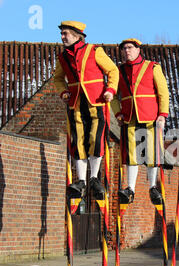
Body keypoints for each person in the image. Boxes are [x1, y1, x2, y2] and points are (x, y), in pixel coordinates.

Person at [54, 21, 119, 198]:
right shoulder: (62, 57)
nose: (62, 37)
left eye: (65, 33)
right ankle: (81, 181)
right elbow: (58, 79)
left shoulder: (94, 51)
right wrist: (63, 92)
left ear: (76, 34)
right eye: (61, 34)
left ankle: (94, 178)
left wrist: (110, 90)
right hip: (75, 103)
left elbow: (112, 70)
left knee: (95, 139)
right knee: (78, 141)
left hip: (96, 101)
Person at [113, 38, 169, 205]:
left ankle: (152, 187)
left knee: (152, 152)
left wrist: (162, 114)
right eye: (124, 48)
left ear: (138, 50)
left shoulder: (152, 67)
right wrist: (118, 114)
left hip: (151, 115)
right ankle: (130, 189)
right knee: (132, 154)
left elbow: (163, 92)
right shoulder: (119, 70)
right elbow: (113, 96)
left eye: (130, 47)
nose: (126, 51)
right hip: (129, 117)